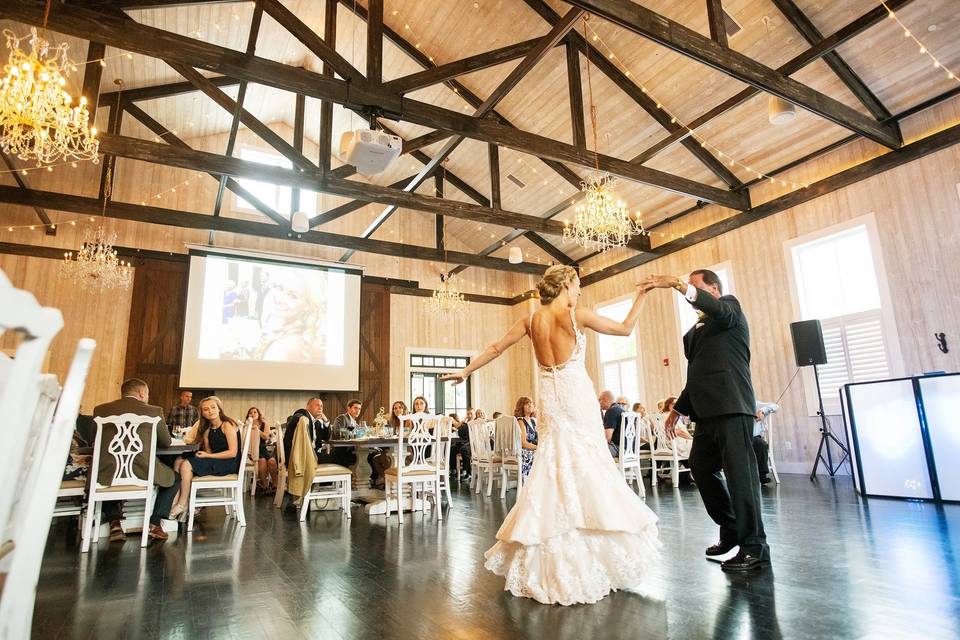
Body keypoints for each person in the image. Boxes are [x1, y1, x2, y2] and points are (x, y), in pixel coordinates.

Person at [441, 265, 659, 605]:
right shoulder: (577, 316)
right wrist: (641, 296)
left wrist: (466, 371)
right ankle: (593, 547)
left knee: (553, 466)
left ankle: (551, 544)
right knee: (589, 467)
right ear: (567, 284)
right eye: (578, 286)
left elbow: (497, 348)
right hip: (577, 399)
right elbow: (626, 328)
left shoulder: (530, 320)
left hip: (551, 404)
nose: (579, 292)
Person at [645, 270, 769, 573]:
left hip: (732, 407)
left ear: (713, 289)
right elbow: (697, 374)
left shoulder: (730, 309)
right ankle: (730, 529)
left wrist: (677, 284)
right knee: (701, 467)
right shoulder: (697, 331)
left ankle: (754, 548)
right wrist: (679, 408)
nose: (690, 295)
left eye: (695, 288)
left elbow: (719, 309)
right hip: (705, 413)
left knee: (741, 478)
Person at [93, 378, 179, 542]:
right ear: (142, 393)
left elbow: (93, 438)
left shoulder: (101, 410)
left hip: (107, 470)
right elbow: (166, 442)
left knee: (105, 475)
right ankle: (154, 523)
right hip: (142, 469)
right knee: (175, 478)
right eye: (147, 393)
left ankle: (114, 522)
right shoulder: (154, 411)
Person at [169, 396, 241, 520]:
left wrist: (208, 456)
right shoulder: (208, 429)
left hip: (228, 463)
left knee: (186, 464)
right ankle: (179, 500)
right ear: (202, 413)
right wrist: (206, 455)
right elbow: (208, 451)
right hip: (217, 460)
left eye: (213, 407)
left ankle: (181, 504)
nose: (210, 411)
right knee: (178, 461)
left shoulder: (227, 425)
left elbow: (233, 452)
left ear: (219, 409)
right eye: (206, 409)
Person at [283, 397, 330, 468]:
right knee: (340, 456)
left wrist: (326, 421)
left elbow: (326, 437)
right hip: (299, 457)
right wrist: (306, 420)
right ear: (308, 407)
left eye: (321, 406)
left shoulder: (317, 422)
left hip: (313, 455)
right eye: (317, 405)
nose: (320, 408)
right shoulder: (302, 414)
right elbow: (298, 416)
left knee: (342, 455)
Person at [245, 406, 278, 494]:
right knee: (262, 461)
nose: (253, 414)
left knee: (272, 461)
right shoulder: (247, 425)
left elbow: (266, 437)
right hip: (253, 449)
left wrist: (257, 430)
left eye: (255, 412)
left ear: (259, 414)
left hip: (263, 448)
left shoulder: (264, 424)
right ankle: (265, 485)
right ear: (248, 415)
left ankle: (275, 484)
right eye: (250, 412)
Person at [329, 399, 361, 468]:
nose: (358, 411)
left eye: (359, 409)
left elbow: (361, 435)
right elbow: (338, 434)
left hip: (351, 450)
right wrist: (355, 434)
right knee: (367, 456)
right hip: (341, 452)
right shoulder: (342, 418)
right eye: (355, 408)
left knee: (373, 453)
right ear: (349, 408)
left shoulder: (355, 423)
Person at [754, 402, 780, 484]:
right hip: (738, 437)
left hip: (754, 438)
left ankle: (761, 476)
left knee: (761, 444)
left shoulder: (756, 403)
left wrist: (762, 410)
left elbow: (775, 406)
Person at [514, 396, 538, 478]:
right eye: (527, 404)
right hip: (524, 451)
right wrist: (538, 447)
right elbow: (523, 443)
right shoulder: (521, 421)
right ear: (521, 406)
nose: (530, 405)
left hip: (531, 449)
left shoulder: (533, 420)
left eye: (531, 403)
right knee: (541, 455)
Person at [600, 390, 625, 458]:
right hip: (629, 449)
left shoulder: (611, 411)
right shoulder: (622, 409)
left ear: (606, 399)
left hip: (618, 448)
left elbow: (607, 437)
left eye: (600, 400)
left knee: (593, 450)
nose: (599, 403)